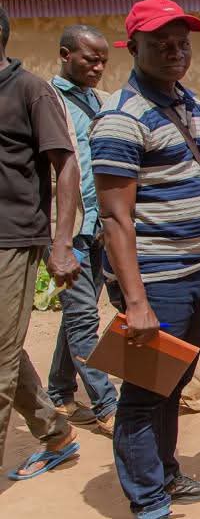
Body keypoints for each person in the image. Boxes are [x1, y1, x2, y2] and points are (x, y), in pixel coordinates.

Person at [91, 0, 200, 519]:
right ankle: (148, 511)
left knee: (174, 380)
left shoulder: (187, 104)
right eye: (160, 43)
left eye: (182, 42)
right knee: (144, 394)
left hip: (193, 273)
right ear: (133, 48)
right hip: (155, 282)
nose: (175, 51)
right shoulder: (121, 118)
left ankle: (167, 473)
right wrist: (137, 303)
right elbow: (117, 218)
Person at [0, 4, 82, 481]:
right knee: (4, 347)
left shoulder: (30, 90)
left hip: (12, 238)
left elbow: (66, 164)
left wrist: (62, 241)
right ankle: (54, 430)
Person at [46, 25, 119, 437]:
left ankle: (59, 390)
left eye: (104, 60)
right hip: (67, 230)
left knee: (77, 313)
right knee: (83, 318)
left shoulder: (100, 101)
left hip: (98, 225)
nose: (98, 67)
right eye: (90, 59)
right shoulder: (47, 100)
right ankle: (107, 405)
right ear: (65, 54)